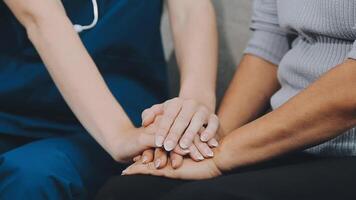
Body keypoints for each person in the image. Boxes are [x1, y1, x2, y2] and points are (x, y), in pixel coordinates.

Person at [96, 0, 356, 199]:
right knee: (126, 191)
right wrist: (211, 139)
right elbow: (271, 42)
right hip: (289, 144)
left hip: (348, 152)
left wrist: (225, 154)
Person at [0, 0, 218, 199]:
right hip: (16, 109)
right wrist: (119, 135)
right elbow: (41, 18)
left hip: (127, 114)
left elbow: (190, 9)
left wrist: (191, 113)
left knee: (34, 176)